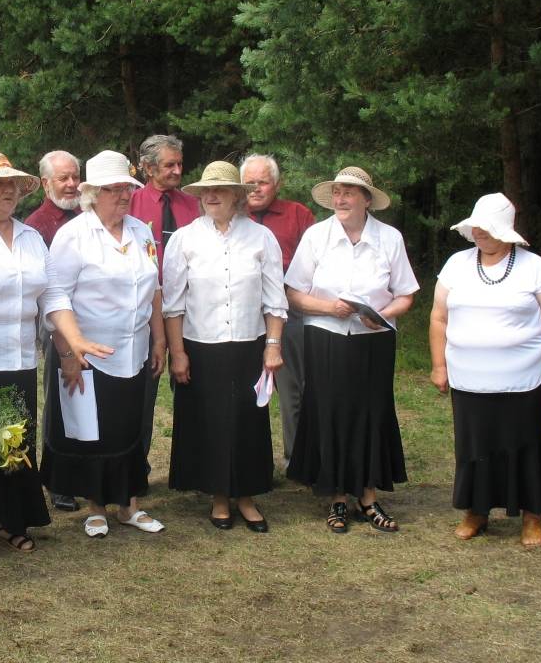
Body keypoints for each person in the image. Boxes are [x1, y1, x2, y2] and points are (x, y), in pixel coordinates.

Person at [0, 152, 110, 558]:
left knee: (11, 446)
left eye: (13, 183)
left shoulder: (31, 238)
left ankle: (8, 520)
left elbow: (54, 295)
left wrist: (73, 339)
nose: (10, 190)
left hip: (19, 359)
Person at [284, 166, 419, 533]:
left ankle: (369, 497)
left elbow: (406, 294)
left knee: (371, 414)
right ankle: (337, 498)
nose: (341, 200)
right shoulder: (317, 236)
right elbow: (293, 291)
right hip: (325, 336)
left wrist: (384, 315)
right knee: (329, 412)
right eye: (337, 193)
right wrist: (330, 307)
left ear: (366, 200)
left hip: (374, 340)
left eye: (349, 193)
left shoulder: (389, 238)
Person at [429, 193, 541, 548]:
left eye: (487, 227)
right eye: (476, 226)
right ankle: (477, 510)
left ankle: (532, 515)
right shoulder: (457, 264)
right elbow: (439, 317)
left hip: (522, 378)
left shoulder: (534, 267)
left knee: (527, 444)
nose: (479, 232)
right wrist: (439, 365)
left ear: (506, 231)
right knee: (475, 445)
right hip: (468, 378)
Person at [42, 150, 167, 538]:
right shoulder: (73, 236)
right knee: (93, 430)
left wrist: (160, 341)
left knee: (131, 426)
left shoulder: (140, 231)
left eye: (126, 188)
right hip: (90, 351)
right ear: (92, 193)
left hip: (136, 347)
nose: (123, 196)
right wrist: (70, 350)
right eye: (113, 190)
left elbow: (155, 290)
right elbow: (55, 297)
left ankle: (129, 505)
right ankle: (95, 506)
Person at [163, 161, 288, 531]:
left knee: (247, 422)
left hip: (249, 345)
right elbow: (173, 305)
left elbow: (275, 299)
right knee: (211, 422)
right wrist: (179, 353)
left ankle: (246, 497)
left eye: (220, 190)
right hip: (201, 347)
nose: (212, 196)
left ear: (237, 196)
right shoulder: (184, 239)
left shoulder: (261, 238)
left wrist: (273, 346)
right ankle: (219, 496)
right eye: (206, 191)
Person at [240, 154, 316, 470]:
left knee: (293, 387)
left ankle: (295, 458)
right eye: (249, 183)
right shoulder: (232, 216)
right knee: (244, 387)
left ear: (276, 184)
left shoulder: (298, 214)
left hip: (288, 310)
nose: (255, 189)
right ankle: (250, 459)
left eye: (263, 182)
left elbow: (315, 264)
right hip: (241, 313)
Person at [128, 134, 198, 474]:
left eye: (179, 164)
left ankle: (192, 466)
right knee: (141, 396)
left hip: (190, 312)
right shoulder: (131, 204)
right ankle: (134, 466)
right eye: (169, 165)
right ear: (149, 168)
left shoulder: (193, 205)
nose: (176, 171)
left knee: (192, 389)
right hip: (145, 313)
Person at [24, 149, 83, 513]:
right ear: (45, 183)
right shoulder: (37, 224)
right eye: (63, 178)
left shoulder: (85, 215)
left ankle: (82, 471)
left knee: (84, 399)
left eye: (75, 176)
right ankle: (58, 478)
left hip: (86, 323)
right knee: (59, 399)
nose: (71, 183)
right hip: (54, 323)